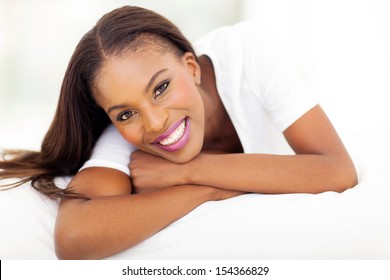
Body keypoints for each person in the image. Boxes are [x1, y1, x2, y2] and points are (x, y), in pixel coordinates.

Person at [0, 5, 357, 259]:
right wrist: (209, 190)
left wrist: (188, 170)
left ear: (191, 66)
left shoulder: (248, 54)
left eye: (161, 88)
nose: (154, 124)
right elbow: (75, 238)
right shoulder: (123, 136)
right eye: (126, 113)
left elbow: (338, 171)